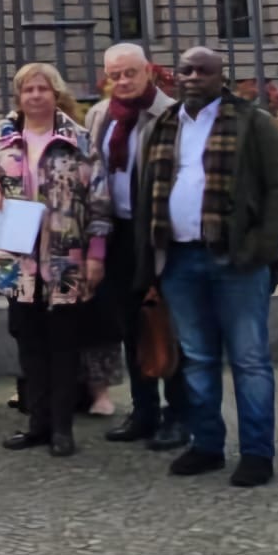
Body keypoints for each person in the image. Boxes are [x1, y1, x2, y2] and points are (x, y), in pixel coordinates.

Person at [134, 46, 278, 488]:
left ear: (219, 76)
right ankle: (207, 444)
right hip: (180, 258)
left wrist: (262, 248)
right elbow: (145, 189)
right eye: (185, 70)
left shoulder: (251, 122)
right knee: (198, 358)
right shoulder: (163, 126)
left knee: (249, 359)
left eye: (202, 71)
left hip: (237, 260)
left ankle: (257, 453)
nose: (192, 77)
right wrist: (150, 259)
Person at [0, 62, 108, 459]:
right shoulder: (1, 134)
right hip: (16, 257)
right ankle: (37, 422)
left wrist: (96, 254)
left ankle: (62, 428)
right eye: (27, 90)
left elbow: (100, 201)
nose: (35, 96)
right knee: (29, 342)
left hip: (66, 257)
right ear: (19, 96)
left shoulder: (78, 138)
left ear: (56, 94)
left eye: (42, 89)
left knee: (63, 344)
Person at [84, 43, 185, 450]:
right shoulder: (99, 115)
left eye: (129, 73)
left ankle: (178, 415)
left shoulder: (170, 115)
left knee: (166, 325)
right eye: (115, 75)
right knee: (128, 325)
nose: (122, 81)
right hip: (116, 232)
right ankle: (143, 411)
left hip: (157, 235)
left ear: (148, 71)